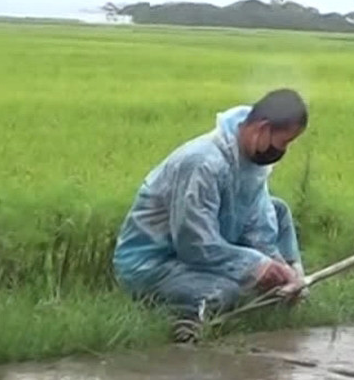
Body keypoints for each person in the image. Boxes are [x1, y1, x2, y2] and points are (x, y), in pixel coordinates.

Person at [113, 88, 310, 333]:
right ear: (262, 128)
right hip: (159, 262)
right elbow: (194, 244)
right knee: (225, 292)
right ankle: (183, 319)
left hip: (211, 247)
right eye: (284, 142)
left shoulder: (251, 165)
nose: (282, 151)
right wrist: (257, 267)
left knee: (277, 210)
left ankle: (293, 285)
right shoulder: (202, 164)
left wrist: (282, 269)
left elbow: (258, 226)